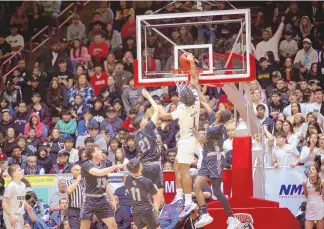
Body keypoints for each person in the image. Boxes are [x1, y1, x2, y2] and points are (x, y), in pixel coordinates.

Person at [190, 71, 240, 228]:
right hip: (207, 158)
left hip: (216, 159)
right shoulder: (214, 121)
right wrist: (197, 89)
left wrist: (193, 130)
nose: (216, 109)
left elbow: (201, 140)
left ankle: (233, 218)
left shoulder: (216, 129)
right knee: (196, 186)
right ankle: (205, 214)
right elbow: (205, 102)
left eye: (218, 110)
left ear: (220, 116)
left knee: (217, 192)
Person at [158, 53, 200, 217]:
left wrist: (160, 106)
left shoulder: (183, 109)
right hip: (188, 138)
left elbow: (164, 116)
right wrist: (191, 64)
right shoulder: (195, 99)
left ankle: (188, 201)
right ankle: (180, 195)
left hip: (187, 139)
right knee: (176, 167)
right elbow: (194, 79)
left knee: (184, 171)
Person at [80, 145, 124, 229]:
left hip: (101, 199)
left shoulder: (103, 165)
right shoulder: (86, 164)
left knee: (113, 225)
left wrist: (112, 199)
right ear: (93, 154)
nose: (101, 152)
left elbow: (106, 184)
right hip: (89, 199)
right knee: (84, 227)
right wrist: (115, 166)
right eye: (98, 150)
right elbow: (98, 173)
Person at [132, 89, 164, 194]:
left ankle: (148, 209)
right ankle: (157, 209)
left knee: (146, 191)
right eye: (144, 119)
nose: (147, 119)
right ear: (141, 124)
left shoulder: (135, 136)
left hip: (144, 166)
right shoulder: (148, 127)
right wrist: (148, 97)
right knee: (159, 189)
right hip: (154, 164)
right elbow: (156, 110)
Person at [125, 158, 161, 229]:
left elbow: (127, 191)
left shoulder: (128, 179)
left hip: (135, 212)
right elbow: (157, 197)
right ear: (140, 167)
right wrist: (155, 212)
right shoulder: (146, 182)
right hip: (147, 210)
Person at [2, 164, 35, 229]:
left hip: (20, 214)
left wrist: (27, 205)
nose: (22, 171)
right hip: (11, 214)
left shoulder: (23, 184)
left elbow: (22, 198)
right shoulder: (11, 186)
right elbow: (4, 203)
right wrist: (11, 216)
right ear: (14, 174)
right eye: (19, 170)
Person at [302, 157, 324, 229]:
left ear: (317, 172)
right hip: (310, 207)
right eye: (310, 169)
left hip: (319, 207)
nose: (310, 171)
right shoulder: (304, 182)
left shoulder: (322, 182)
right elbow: (306, 194)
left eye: (313, 169)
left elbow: (323, 196)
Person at [66, 165, 83, 229]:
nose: (79, 171)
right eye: (77, 170)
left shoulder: (86, 182)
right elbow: (69, 191)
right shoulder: (69, 182)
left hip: (86, 210)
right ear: (72, 173)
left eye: (80, 170)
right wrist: (78, 179)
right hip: (74, 210)